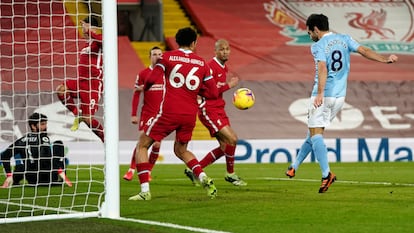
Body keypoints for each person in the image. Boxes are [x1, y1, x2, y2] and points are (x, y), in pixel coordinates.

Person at [285, 14, 398, 193]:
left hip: (324, 94)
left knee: (316, 133)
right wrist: (385, 59)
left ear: (315, 29)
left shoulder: (317, 46)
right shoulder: (344, 39)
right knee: (314, 132)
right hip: (340, 97)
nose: (309, 35)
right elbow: (364, 50)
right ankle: (294, 166)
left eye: (309, 31)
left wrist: (320, 93)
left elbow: (322, 67)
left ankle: (326, 174)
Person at [128, 27, 219, 201]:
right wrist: (196, 91)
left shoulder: (167, 57)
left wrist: (145, 87)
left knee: (142, 145)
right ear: (194, 43)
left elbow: (152, 79)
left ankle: (145, 191)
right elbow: (213, 93)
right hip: (190, 115)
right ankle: (203, 177)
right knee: (181, 150)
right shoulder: (202, 63)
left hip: (169, 112)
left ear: (177, 42)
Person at [184, 39, 246, 186]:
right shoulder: (210, 67)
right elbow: (210, 93)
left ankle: (194, 169)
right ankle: (230, 174)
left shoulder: (223, 68)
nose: (225, 51)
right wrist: (228, 85)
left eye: (227, 49)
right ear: (216, 51)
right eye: (222, 49)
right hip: (208, 110)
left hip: (219, 109)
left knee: (226, 146)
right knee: (233, 139)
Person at [56, 16, 104, 142]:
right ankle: (77, 114)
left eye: (85, 25)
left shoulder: (101, 40)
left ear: (93, 27)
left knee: (88, 119)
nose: (82, 29)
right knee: (61, 90)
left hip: (93, 84)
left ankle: (106, 139)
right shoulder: (85, 45)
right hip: (80, 82)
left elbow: (102, 42)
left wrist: (89, 31)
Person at [123, 46, 164, 181]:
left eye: (159, 54)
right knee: (142, 141)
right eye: (154, 54)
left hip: (162, 114)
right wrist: (134, 114)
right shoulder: (143, 74)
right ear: (150, 57)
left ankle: (148, 171)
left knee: (157, 144)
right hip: (147, 113)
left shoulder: (166, 74)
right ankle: (131, 169)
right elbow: (136, 94)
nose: (157, 56)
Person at [0, 113, 72, 187]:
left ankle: (15, 181)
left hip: (32, 179)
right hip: (48, 177)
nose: (45, 127)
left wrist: (9, 175)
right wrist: (61, 173)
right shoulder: (43, 138)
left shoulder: (21, 140)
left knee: (21, 166)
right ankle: (60, 179)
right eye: (42, 124)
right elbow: (46, 158)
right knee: (58, 144)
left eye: (46, 124)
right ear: (33, 126)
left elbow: (5, 156)